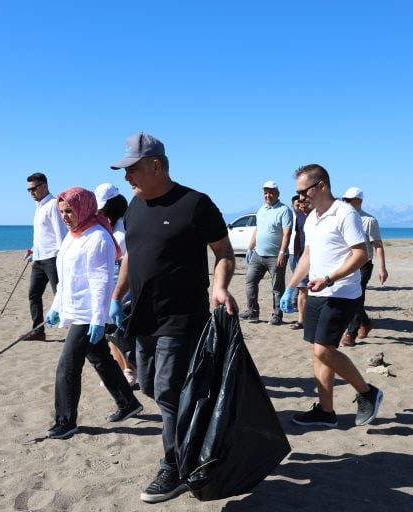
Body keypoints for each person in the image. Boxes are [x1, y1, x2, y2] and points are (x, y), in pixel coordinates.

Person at [108, 132, 238, 504]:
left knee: (166, 392)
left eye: (132, 169)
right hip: (143, 317)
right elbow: (132, 255)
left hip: (182, 317)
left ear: (156, 165)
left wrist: (219, 286)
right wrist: (118, 296)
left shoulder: (195, 204)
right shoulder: (133, 206)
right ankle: (197, 440)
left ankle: (176, 466)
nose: (127, 177)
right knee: (150, 387)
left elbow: (225, 253)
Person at [280, 164, 383, 429]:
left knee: (323, 350)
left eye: (304, 191)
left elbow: (360, 255)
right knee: (318, 353)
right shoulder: (313, 217)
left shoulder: (344, 213)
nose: (301, 197)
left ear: (322, 186)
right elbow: (308, 255)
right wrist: (292, 287)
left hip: (342, 293)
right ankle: (326, 412)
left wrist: (329, 278)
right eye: (298, 192)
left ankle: (367, 392)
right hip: (317, 292)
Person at [43, 186, 143, 440]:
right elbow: (66, 280)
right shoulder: (72, 236)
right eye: (62, 212)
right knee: (100, 358)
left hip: (90, 314)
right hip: (76, 310)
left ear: (84, 209)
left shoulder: (98, 237)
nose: (66, 217)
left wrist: (99, 320)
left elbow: (101, 282)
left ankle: (66, 421)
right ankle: (128, 403)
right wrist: (55, 307)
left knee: (68, 365)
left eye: (70, 211)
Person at [94, 182, 137, 387]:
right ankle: (120, 369)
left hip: (124, 277)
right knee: (110, 328)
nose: (100, 210)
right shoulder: (109, 223)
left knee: (120, 327)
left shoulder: (126, 223)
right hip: (111, 275)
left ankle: (129, 369)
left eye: (103, 207)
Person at [238, 180, 293, 325]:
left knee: (277, 288)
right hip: (258, 254)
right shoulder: (262, 209)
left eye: (271, 192)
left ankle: (277, 315)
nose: (268, 195)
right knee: (250, 281)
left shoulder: (284, 210)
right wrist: (250, 247)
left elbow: (287, 233)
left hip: (276, 256)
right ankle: (252, 312)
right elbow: (258, 229)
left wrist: (282, 252)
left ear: (277, 193)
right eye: (266, 192)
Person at [339, 188, 388, 346]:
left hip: (363, 264)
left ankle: (350, 334)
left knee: (357, 298)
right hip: (346, 264)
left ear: (359, 201)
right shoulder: (342, 218)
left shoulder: (369, 221)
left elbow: (378, 245)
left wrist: (382, 268)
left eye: (349, 200)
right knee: (348, 297)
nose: (345, 202)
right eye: (344, 199)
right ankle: (366, 322)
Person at [24, 172, 67, 342]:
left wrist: (62, 258)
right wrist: (33, 251)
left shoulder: (53, 205)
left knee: (61, 294)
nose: (31, 193)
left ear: (44, 186)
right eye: (29, 190)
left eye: (34, 189)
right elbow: (41, 235)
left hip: (53, 258)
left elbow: (60, 235)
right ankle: (38, 331)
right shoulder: (39, 206)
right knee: (33, 294)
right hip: (39, 259)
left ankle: (77, 331)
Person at [288, 194, 312, 330]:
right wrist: (297, 254)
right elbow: (298, 235)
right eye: (300, 202)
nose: (301, 204)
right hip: (303, 257)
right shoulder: (300, 216)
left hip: (319, 260)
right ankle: (301, 320)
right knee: (302, 289)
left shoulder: (318, 215)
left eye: (304, 201)